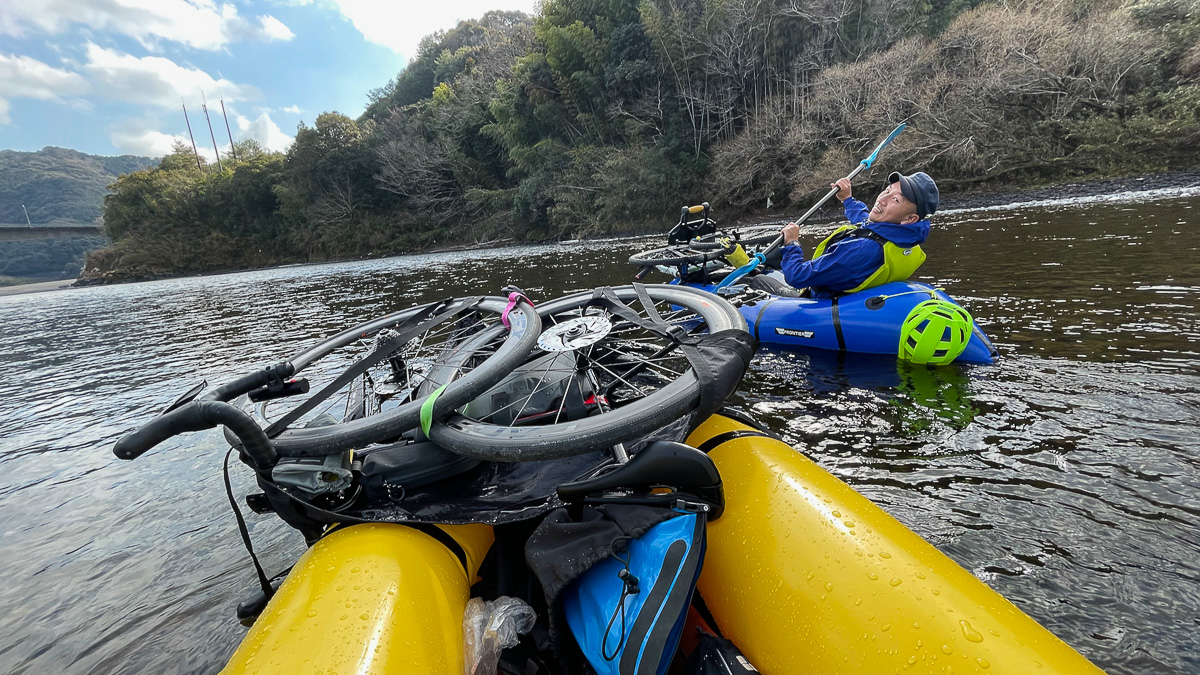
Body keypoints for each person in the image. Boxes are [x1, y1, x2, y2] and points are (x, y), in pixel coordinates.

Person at [777, 171, 939, 298]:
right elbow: (866, 223)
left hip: (824, 305)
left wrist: (792, 244)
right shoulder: (906, 238)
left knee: (760, 279)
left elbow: (797, 276)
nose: (882, 200)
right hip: (855, 295)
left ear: (910, 218)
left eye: (895, 200)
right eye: (887, 190)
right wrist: (847, 199)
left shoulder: (860, 250)